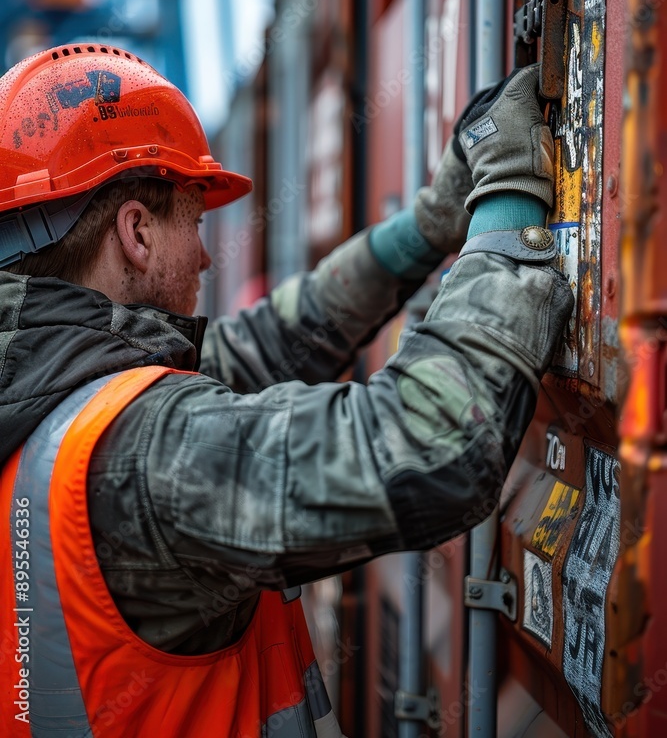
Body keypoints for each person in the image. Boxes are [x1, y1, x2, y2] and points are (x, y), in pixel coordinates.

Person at [0, 44, 572, 737]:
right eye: (195, 222)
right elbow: (428, 447)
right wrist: (509, 203)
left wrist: (426, 228)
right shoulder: (135, 459)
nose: (207, 256)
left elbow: (262, 347)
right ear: (137, 232)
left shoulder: (42, 392)